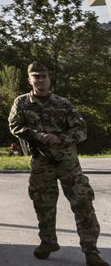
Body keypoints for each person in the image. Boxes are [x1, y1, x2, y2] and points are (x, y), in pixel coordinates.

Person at [8, 62, 106, 265]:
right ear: (30, 80)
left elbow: (81, 129)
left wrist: (60, 138)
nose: (41, 80)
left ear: (49, 79)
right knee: (43, 203)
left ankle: (91, 252)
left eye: (44, 76)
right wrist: (36, 135)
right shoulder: (22, 102)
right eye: (36, 77)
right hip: (41, 161)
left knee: (83, 203)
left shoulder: (63, 103)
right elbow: (14, 125)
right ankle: (48, 242)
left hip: (67, 162)